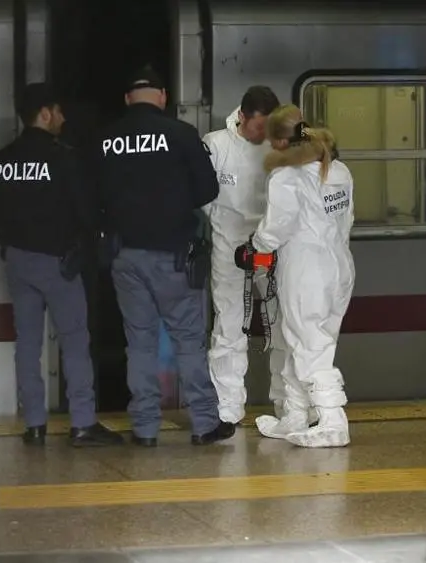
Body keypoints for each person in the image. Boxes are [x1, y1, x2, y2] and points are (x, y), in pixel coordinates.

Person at [94, 66, 236, 447]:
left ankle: (144, 428)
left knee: (138, 343)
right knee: (188, 340)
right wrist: (172, 205)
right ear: (161, 97)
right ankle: (205, 424)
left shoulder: (106, 140)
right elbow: (207, 190)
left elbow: (93, 195)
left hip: (125, 255)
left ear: (127, 99)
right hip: (173, 255)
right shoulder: (180, 134)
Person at [0, 82, 124, 448]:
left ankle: (33, 423)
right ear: (44, 114)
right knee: (75, 340)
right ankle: (82, 423)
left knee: (28, 343)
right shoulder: (63, 157)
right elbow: (84, 211)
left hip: (17, 260)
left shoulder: (2, 160)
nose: (63, 118)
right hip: (58, 261)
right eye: (59, 111)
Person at [236, 104, 355, 448]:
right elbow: (347, 220)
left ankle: (332, 420)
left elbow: (276, 230)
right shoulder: (339, 171)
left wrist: (253, 247)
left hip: (305, 271)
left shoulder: (286, 178)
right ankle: (295, 415)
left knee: (309, 345)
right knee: (303, 341)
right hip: (339, 267)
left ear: (280, 142)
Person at [202, 86, 287, 425]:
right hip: (229, 246)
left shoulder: (280, 146)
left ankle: (289, 404)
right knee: (228, 326)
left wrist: (267, 237)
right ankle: (228, 408)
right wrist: (225, 226)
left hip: (271, 246)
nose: (262, 135)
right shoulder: (215, 144)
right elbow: (204, 195)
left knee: (283, 324)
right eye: (258, 128)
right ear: (242, 116)